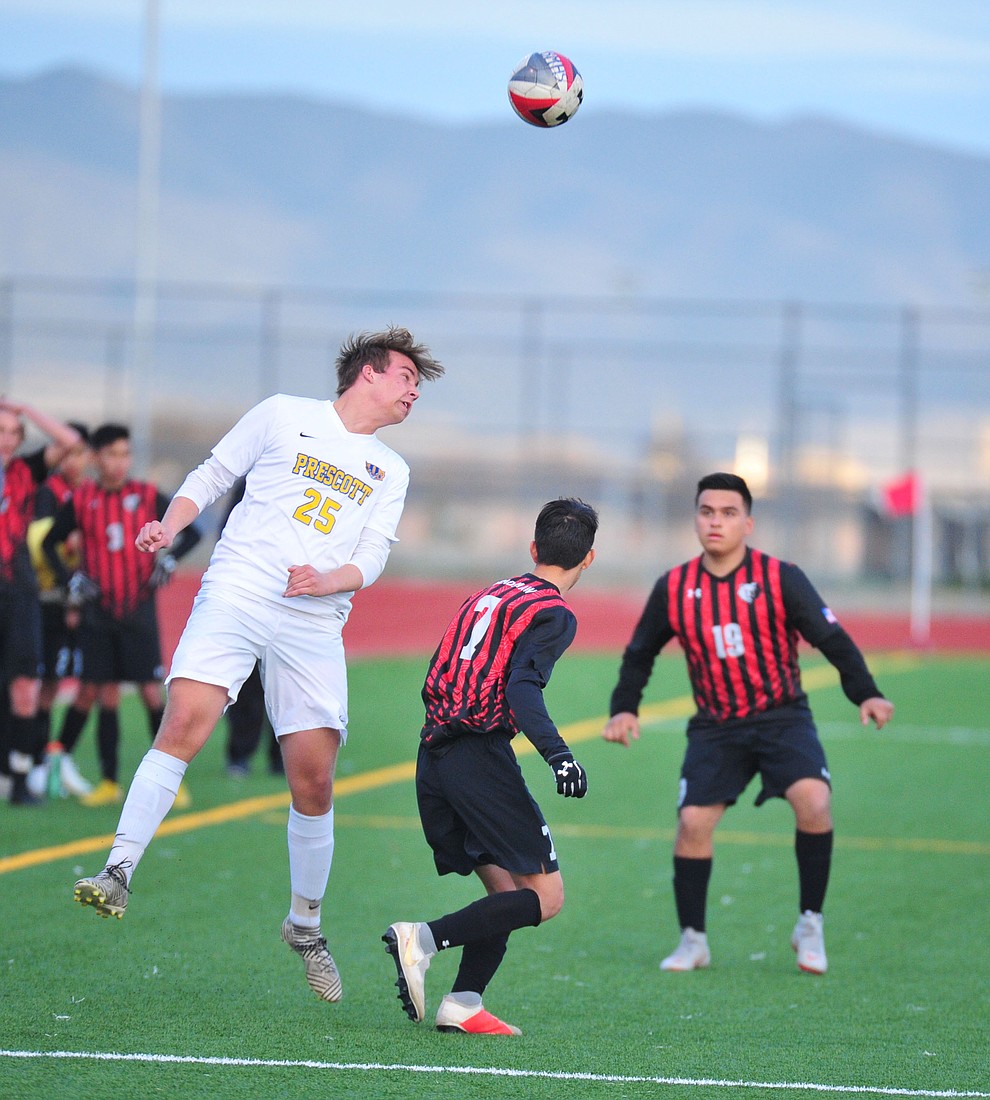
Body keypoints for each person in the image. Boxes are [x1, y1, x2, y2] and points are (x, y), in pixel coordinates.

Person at [70, 327, 444, 1007]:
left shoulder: (392, 469)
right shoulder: (282, 414)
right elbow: (209, 478)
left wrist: (328, 578)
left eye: (417, 385)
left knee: (314, 781)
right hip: (239, 589)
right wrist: (170, 524)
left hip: (313, 618)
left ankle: (305, 926)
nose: (413, 391)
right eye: (405, 378)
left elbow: (374, 555)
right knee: (184, 720)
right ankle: (119, 867)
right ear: (367, 374)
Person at [602, 472, 894, 976]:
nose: (716, 522)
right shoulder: (674, 586)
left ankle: (809, 923)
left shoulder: (781, 578)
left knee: (814, 800)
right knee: (693, 823)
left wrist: (865, 692)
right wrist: (624, 707)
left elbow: (832, 638)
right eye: (707, 512)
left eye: (728, 513)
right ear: (695, 517)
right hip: (716, 726)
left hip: (783, 717)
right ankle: (693, 940)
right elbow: (638, 654)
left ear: (749, 522)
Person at [383, 497, 598, 1037]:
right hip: (478, 756)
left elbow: (442, 664)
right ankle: (421, 940)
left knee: (506, 893)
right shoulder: (555, 612)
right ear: (588, 560)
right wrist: (560, 755)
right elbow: (522, 686)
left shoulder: (490, 593)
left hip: (435, 749)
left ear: (532, 548)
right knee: (545, 899)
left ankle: (463, 1003)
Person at [42, 424, 201, 806]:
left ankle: (171, 781)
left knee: (151, 692)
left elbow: (192, 532)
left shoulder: (146, 495)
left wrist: (170, 558)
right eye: (111, 454)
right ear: (97, 458)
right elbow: (50, 542)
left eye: (125, 454)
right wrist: (71, 581)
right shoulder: (82, 500)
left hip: (138, 610)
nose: (119, 462)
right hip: (99, 613)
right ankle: (110, 782)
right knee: (103, 693)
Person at [0, 398, 82, 805]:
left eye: (13, 433)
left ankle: (18, 777)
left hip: (18, 590)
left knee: (25, 685)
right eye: (2, 431)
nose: (8, 439)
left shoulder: (24, 471)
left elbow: (69, 441)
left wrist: (26, 409)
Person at [26, 422, 92, 797]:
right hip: (50, 600)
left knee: (90, 684)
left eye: (82, 453)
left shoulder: (88, 492)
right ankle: (34, 761)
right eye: (71, 452)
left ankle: (59, 756)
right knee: (45, 684)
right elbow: (42, 545)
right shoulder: (48, 493)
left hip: (85, 606)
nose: (77, 460)